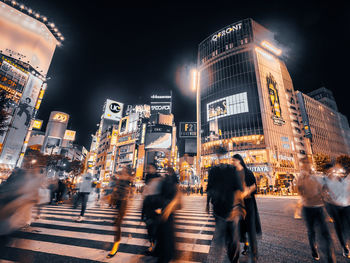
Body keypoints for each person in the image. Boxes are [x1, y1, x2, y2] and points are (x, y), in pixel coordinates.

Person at [206, 146, 245, 263]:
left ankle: (233, 257)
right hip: (219, 208)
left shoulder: (231, 170)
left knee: (231, 236)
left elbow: (238, 189)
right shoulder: (213, 170)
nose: (219, 156)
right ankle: (230, 256)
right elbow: (209, 188)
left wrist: (237, 207)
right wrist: (207, 204)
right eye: (218, 154)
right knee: (223, 236)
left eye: (220, 154)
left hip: (229, 207)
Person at [297, 158, 335, 262]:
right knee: (311, 231)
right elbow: (300, 192)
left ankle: (330, 256)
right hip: (308, 208)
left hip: (319, 207)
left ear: (310, 164)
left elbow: (324, 189)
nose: (306, 165)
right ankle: (314, 250)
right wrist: (301, 181)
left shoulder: (317, 176)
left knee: (325, 233)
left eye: (307, 163)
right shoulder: (301, 177)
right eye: (304, 164)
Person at [232, 154, 261, 263]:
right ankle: (244, 247)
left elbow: (255, 187)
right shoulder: (233, 175)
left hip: (248, 204)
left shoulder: (248, 173)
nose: (232, 162)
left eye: (234, 160)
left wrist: (248, 191)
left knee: (251, 229)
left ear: (239, 160)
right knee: (239, 229)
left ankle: (254, 254)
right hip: (237, 205)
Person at [322, 162, 350, 259]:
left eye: (332, 170)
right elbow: (322, 194)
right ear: (326, 171)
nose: (331, 172)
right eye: (328, 170)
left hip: (345, 205)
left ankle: (345, 244)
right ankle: (344, 247)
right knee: (339, 226)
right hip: (334, 207)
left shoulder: (339, 178)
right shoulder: (324, 181)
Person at [154, 167, 181, 263]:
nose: (166, 173)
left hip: (167, 208)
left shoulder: (171, 180)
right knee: (165, 230)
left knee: (167, 231)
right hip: (165, 207)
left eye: (167, 171)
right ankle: (166, 252)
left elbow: (176, 194)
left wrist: (170, 206)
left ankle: (167, 254)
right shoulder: (166, 180)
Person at [107, 166, 134, 258]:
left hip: (124, 203)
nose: (122, 171)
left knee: (117, 223)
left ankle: (116, 244)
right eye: (122, 170)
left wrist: (128, 205)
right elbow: (115, 189)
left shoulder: (129, 181)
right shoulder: (119, 179)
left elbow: (131, 193)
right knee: (119, 222)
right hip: (117, 201)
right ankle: (128, 234)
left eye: (124, 170)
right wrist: (111, 198)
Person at [142, 164, 162, 253]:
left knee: (155, 226)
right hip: (148, 205)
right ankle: (152, 244)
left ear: (155, 169)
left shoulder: (159, 178)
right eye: (147, 168)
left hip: (156, 205)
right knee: (149, 226)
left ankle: (155, 245)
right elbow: (145, 193)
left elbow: (162, 192)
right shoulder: (146, 179)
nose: (148, 169)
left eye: (150, 168)